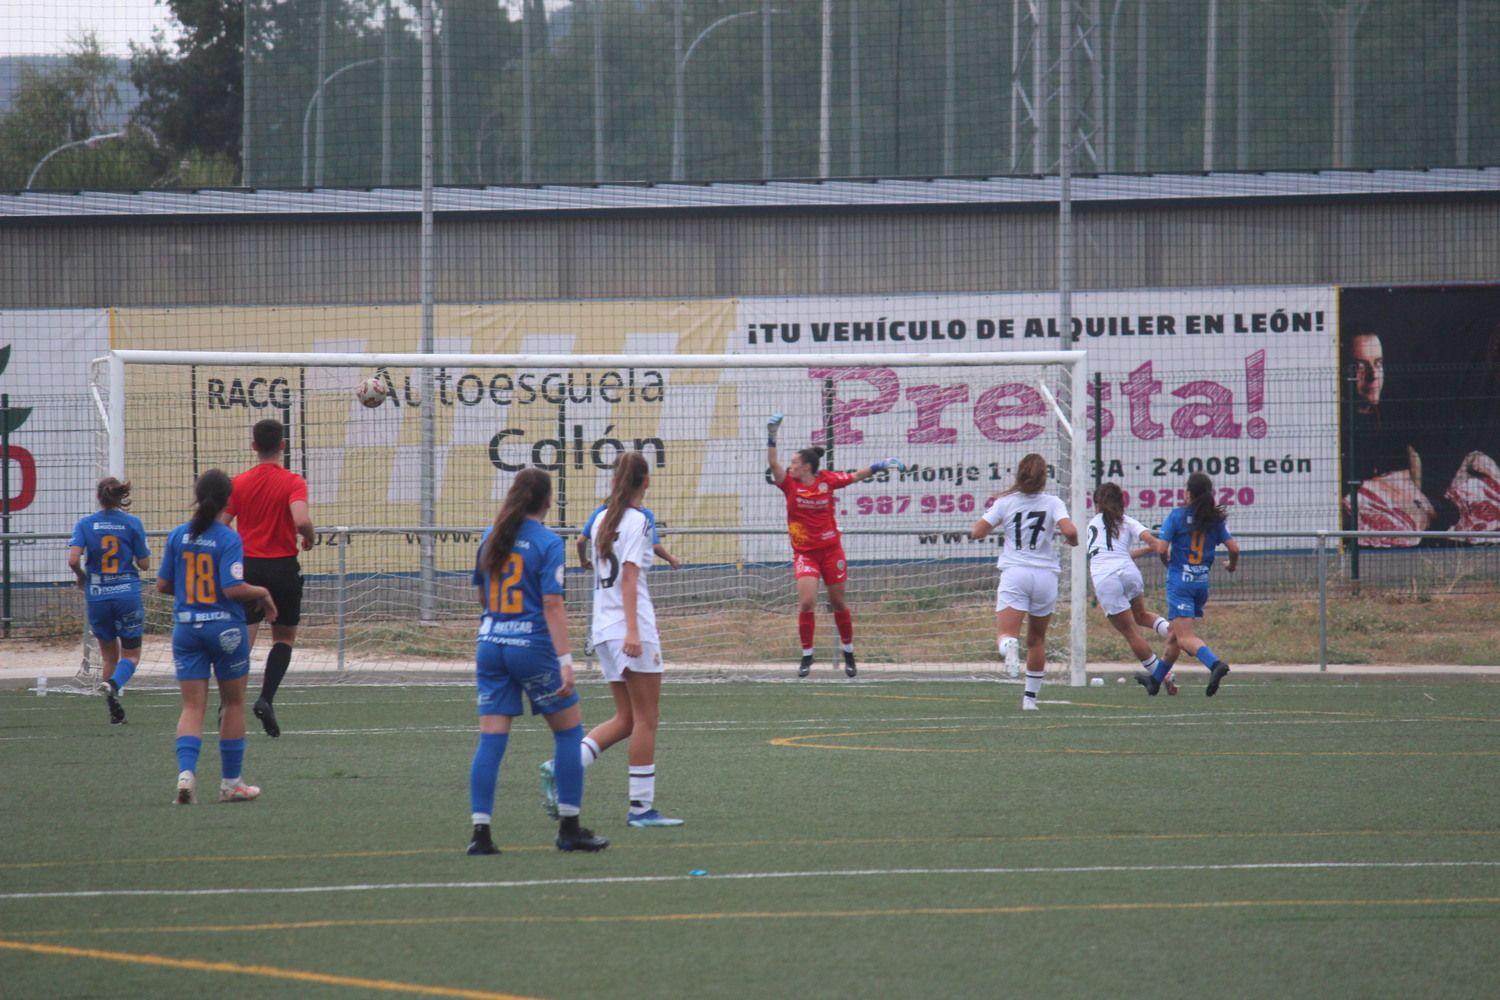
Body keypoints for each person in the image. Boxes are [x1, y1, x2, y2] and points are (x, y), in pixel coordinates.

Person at [466, 468, 608, 856]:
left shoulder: (490, 535)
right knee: (567, 733)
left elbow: (481, 595)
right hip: (532, 648)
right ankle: (569, 828)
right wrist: (565, 661)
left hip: (490, 644)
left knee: (491, 740)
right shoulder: (547, 542)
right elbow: (552, 604)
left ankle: (480, 833)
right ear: (548, 501)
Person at [540, 451, 683, 828]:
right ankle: (640, 809)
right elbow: (631, 578)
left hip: (603, 629)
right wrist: (635, 632)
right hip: (628, 629)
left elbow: (591, 554)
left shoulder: (603, 518)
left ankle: (563, 766)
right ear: (646, 481)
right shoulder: (637, 521)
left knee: (626, 718)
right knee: (647, 720)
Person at [155, 469, 278, 805]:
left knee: (192, 706)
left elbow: (163, 585)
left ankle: (186, 775)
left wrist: (191, 594)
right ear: (228, 500)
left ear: (197, 495)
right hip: (224, 628)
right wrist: (263, 592)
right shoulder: (227, 538)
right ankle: (230, 783)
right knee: (234, 702)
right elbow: (232, 588)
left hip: (186, 628)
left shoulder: (179, 535)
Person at [766, 413, 905, 677]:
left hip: (831, 551)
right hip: (805, 553)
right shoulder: (790, 485)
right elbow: (773, 463)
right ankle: (807, 655)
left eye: (794, 462)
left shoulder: (826, 481)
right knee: (806, 602)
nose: (790, 466)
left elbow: (855, 476)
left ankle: (849, 652)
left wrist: (882, 464)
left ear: (807, 466)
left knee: (838, 603)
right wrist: (772, 435)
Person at [221, 418, 315, 737]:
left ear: (253, 446)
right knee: (283, 638)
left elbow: (222, 523)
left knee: (244, 637)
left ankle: (229, 703)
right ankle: (266, 698)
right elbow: (301, 520)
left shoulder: (239, 483)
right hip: (283, 566)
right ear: (283, 446)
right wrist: (310, 537)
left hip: (248, 567)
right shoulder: (292, 482)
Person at [971, 454, 1078, 710]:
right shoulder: (1053, 502)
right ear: (1044, 479)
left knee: (1007, 634)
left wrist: (999, 523)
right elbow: (1071, 531)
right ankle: (1030, 699)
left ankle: (1008, 646)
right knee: (1037, 639)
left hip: (1016, 572)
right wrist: (1071, 541)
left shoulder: (1005, 502)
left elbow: (977, 532)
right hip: (1045, 576)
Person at [1149, 471, 1239, 697]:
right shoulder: (1214, 520)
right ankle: (1154, 681)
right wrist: (1231, 565)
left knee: (1185, 638)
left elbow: (1161, 548)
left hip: (1181, 583)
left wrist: (1167, 562)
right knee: (1174, 636)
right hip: (1201, 584)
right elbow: (1234, 549)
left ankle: (1215, 664)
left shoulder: (1177, 516)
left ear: (1188, 493)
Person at [69, 477, 151, 725]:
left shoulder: (85, 524)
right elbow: (144, 564)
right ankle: (114, 684)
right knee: (132, 655)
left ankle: (114, 711)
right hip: (126, 593)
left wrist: (82, 577)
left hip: (98, 595)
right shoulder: (132, 523)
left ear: (98, 497)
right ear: (120, 497)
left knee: (108, 657)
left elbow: (73, 560)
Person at [1084, 482, 1177, 696]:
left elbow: (1106, 555)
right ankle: (1174, 632)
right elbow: (1154, 542)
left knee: (1131, 633)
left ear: (1097, 504)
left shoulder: (1092, 525)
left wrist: (1146, 549)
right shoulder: (1126, 521)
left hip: (1106, 579)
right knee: (1141, 615)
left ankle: (1164, 676)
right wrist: (1165, 556)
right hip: (1128, 573)